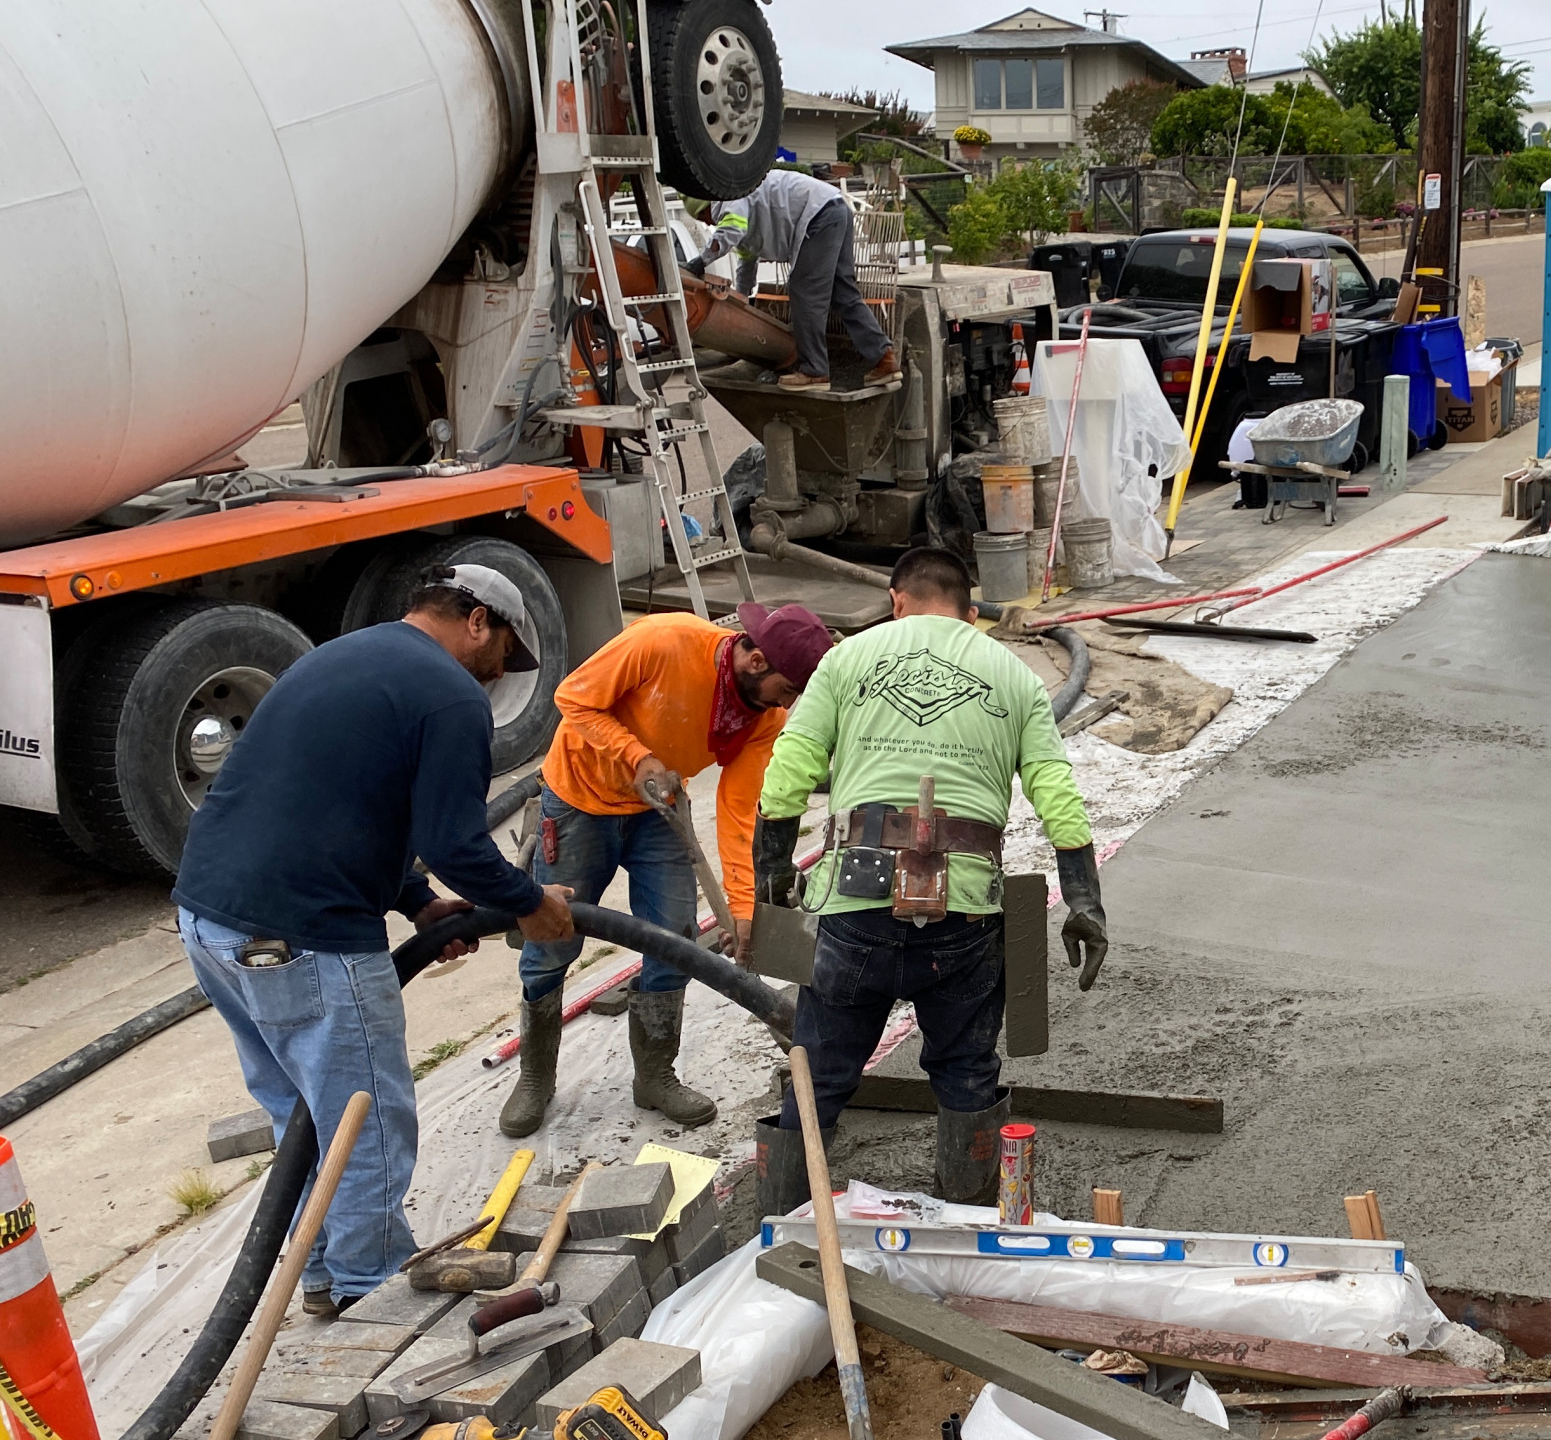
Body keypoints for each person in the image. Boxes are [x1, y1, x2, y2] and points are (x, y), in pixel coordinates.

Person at [173, 565, 576, 1313]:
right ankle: (371, 1290)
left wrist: (419, 904)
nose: (498, 675)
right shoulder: (450, 693)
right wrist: (530, 905)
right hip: (305, 934)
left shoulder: (343, 657)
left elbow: (341, 801)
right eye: (503, 654)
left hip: (209, 920)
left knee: (303, 1113)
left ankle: (322, 1275)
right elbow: (457, 841)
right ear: (478, 619)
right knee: (366, 1116)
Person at [753, 547, 1107, 1206]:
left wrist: (772, 873)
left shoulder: (846, 658)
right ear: (970, 613)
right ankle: (969, 1224)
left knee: (819, 1072)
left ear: (898, 600)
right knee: (967, 1071)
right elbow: (1058, 795)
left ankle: (779, 1234)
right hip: (966, 912)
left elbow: (788, 772)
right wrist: (1084, 900)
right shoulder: (1017, 677)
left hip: (855, 897)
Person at [500, 602, 833, 1136]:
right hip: (579, 800)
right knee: (552, 932)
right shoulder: (663, 641)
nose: (788, 703)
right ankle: (535, 1078)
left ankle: (654, 1075)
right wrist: (635, 756)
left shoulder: (765, 720)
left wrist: (743, 909)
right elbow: (574, 700)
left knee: (673, 935)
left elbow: (739, 813)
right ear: (754, 662)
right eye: (788, 689)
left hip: (660, 809)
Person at [702, 172, 897, 394]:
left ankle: (815, 370)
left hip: (818, 214)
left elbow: (731, 229)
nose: (707, 222)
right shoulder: (744, 203)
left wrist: (701, 261)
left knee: (805, 292)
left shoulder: (730, 194)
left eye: (702, 216)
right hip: (835, 207)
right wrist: (741, 299)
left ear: (705, 204)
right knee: (843, 293)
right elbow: (746, 263)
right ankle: (884, 359)